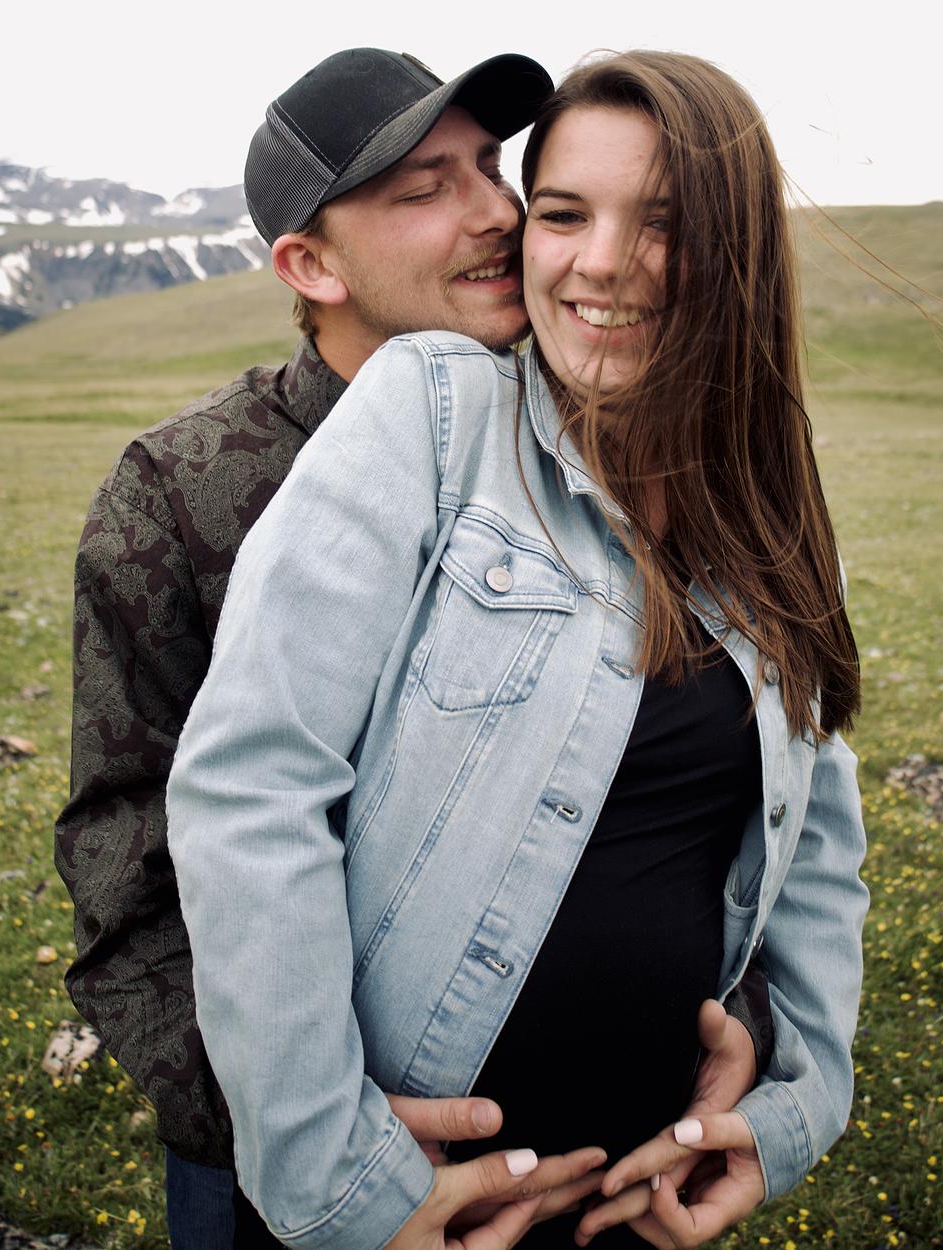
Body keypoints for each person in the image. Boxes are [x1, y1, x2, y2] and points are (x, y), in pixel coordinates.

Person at [54, 48, 769, 1250]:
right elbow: (131, 857)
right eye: (425, 189)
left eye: (491, 166)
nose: (496, 211)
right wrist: (311, 1134)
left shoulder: (588, 439)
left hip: (579, 1161)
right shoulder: (181, 494)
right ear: (311, 265)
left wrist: (729, 1017)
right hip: (278, 1161)